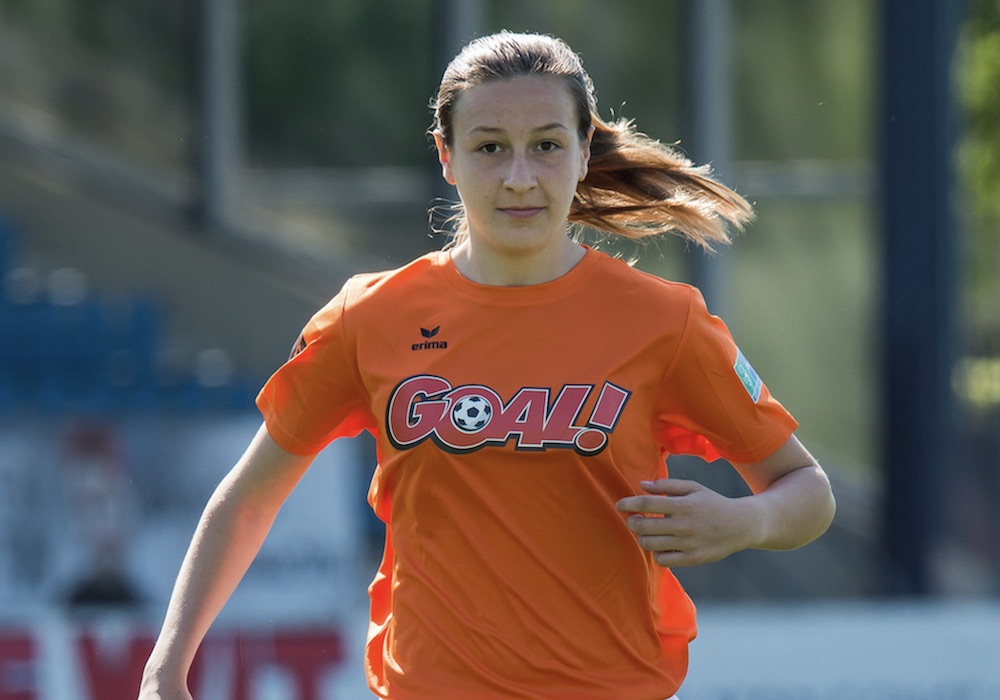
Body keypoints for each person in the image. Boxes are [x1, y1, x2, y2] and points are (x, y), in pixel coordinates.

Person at [139, 31, 836, 700]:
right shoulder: (369, 318)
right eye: (490, 147)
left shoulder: (667, 322)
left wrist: (746, 522)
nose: (519, 177)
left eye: (546, 146)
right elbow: (248, 499)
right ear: (447, 156)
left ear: (583, 151)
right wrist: (165, 668)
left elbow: (807, 490)